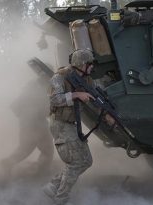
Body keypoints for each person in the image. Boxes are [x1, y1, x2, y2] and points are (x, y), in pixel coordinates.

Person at [42, 49, 113, 205]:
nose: (92, 67)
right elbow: (55, 99)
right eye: (90, 64)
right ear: (82, 64)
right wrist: (75, 95)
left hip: (72, 124)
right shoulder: (60, 77)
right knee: (77, 162)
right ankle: (61, 198)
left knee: (86, 161)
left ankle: (53, 186)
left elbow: (95, 98)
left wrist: (106, 114)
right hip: (60, 124)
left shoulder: (86, 80)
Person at [0, 76, 54, 177]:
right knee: (48, 150)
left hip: (25, 124)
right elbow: (46, 110)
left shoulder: (30, 86)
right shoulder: (42, 89)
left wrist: (25, 117)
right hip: (38, 124)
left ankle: (8, 163)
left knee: (25, 148)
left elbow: (15, 106)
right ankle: (41, 173)